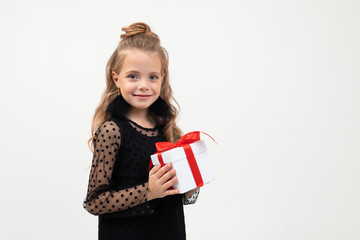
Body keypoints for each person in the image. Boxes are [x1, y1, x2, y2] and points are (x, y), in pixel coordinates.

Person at [83, 22, 200, 240]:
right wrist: (148, 191)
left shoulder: (166, 127)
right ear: (116, 78)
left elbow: (175, 193)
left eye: (152, 77)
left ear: (162, 78)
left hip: (169, 232)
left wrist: (189, 183)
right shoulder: (112, 130)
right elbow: (94, 201)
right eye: (133, 76)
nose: (144, 85)